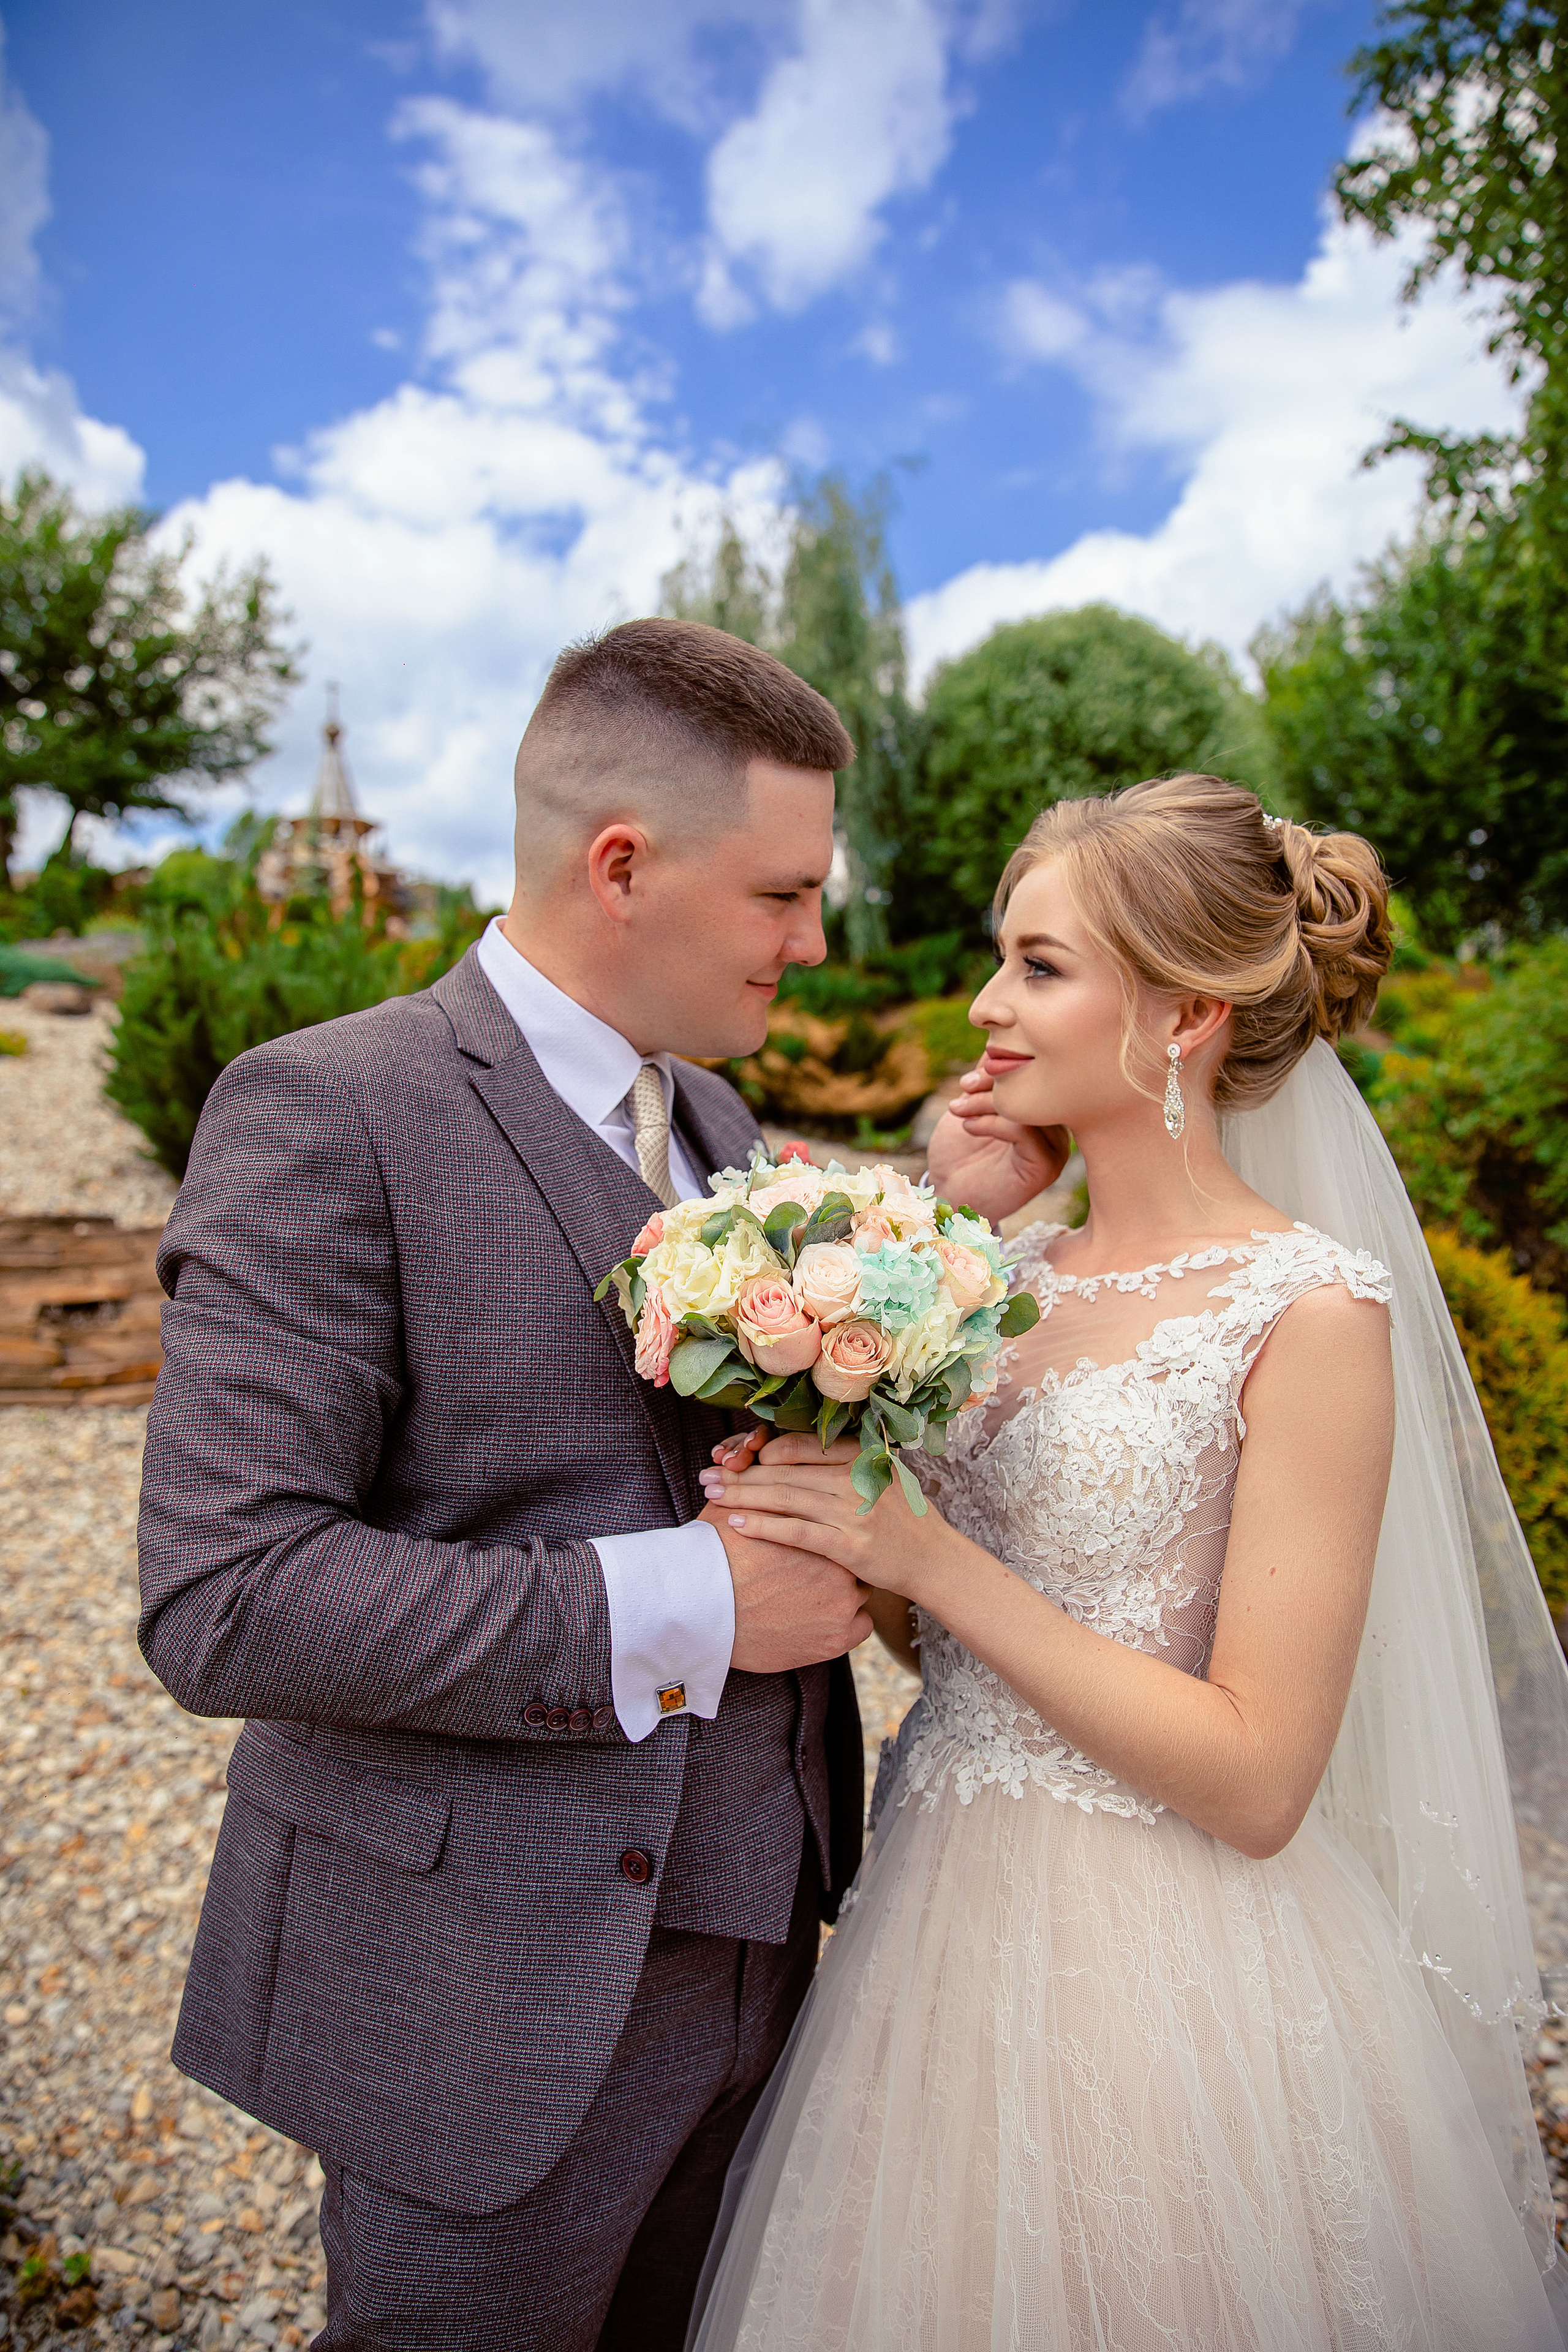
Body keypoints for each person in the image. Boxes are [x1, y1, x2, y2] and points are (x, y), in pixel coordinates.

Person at [689, 775, 1568, 2349]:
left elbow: (1253, 1780)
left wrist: (931, 1560)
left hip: (1168, 1973)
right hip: (933, 1926)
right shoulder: (995, 1280)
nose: (983, 1006)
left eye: (1038, 966)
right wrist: (923, 1263)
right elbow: (921, 1641)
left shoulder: (1308, 1311)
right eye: (999, 960)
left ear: (1180, 1013)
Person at [135, 618, 872, 2352]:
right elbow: (222, 1596)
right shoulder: (328, 1111)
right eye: (781, 893)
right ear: (623, 866)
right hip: (491, 1996)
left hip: (773, 1954)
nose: (812, 941)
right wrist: (697, 1603)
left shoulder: (727, 1136)